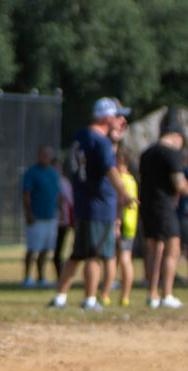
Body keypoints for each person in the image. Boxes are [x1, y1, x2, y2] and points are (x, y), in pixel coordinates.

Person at [54, 98, 132, 311]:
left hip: (83, 201)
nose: (122, 120)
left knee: (78, 253)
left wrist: (114, 138)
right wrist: (124, 194)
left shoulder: (81, 136)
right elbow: (110, 170)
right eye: (118, 116)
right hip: (99, 204)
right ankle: (90, 299)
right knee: (93, 254)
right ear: (107, 118)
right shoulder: (101, 142)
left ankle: (60, 297)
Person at [137, 114, 188, 310]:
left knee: (153, 249)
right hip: (165, 206)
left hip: (147, 205)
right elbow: (178, 183)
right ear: (177, 137)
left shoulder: (146, 153)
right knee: (171, 249)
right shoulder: (171, 153)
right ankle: (166, 293)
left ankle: (151, 294)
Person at [20, 145, 63, 288]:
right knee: (33, 248)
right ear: (38, 155)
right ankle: (27, 278)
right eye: (43, 154)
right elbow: (26, 195)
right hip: (36, 217)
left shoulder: (53, 173)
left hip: (50, 217)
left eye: (49, 155)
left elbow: (57, 195)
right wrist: (29, 213)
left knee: (46, 249)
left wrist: (61, 212)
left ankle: (41, 277)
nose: (46, 157)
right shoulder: (31, 172)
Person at [110, 136, 141, 307]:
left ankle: (116, 294)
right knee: (120, 258)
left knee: (121, 258)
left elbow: (122, 203)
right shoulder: (132, 180)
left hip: (122, 224)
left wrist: (117, 223)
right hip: (131, 224)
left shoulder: (122, 180)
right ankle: (123, 296)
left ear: (121, 160)